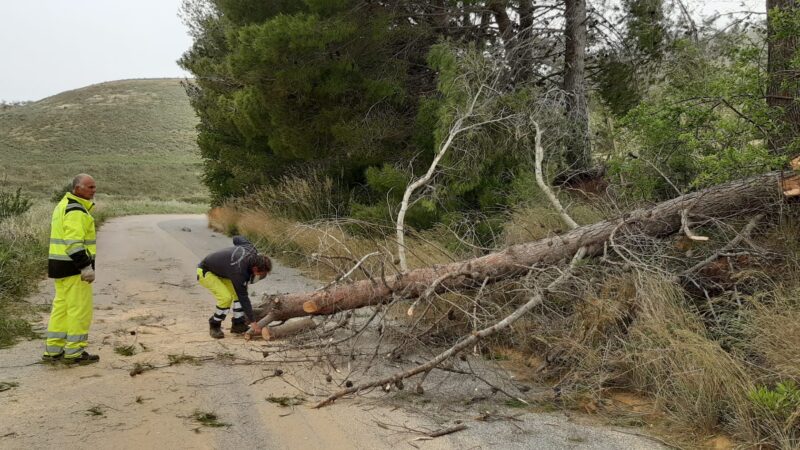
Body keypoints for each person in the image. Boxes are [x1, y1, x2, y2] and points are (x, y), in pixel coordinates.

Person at [42, 174, 99, 365]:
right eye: (89, 187)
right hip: (74, 269)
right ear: (77, 189)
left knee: (62, 309)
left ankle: (53, 350)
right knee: (79, 310)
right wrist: (85, 266)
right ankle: (74, 353)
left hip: (60, 267)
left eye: (94, 187)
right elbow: (74, 243)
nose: (93, 190)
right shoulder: (76, 211)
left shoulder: (63, 205)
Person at [197, 236, 271, 339]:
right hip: (206, 271)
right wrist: (253, 322)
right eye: (260, 273)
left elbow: (237, 238)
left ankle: (238, 324)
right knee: (226, 298)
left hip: (223, 272)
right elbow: (244, 297)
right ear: (255, 268)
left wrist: (229, 256)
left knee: (236, 296)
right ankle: (214, 325)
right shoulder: (239, 271)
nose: (260, 276)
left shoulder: (251, 249)